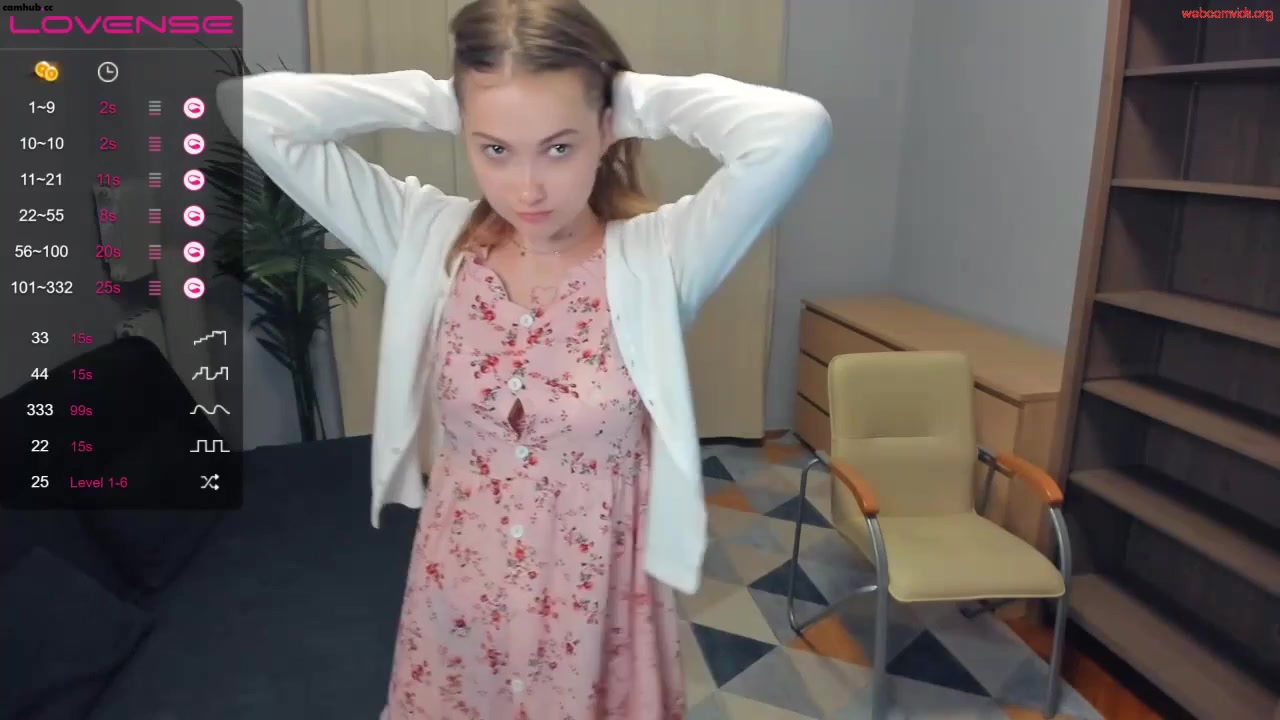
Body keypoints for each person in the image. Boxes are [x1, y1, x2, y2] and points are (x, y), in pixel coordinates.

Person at [217, 0, 830, 716]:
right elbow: (252, 109)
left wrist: (621, 97)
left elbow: (795, 130)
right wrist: (447, 99)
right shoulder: (425, 239)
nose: (528, 188)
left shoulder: (660, 258)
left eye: (558, 147)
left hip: (598, 608)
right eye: (496, 149)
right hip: (460, 591)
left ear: (606, 132)